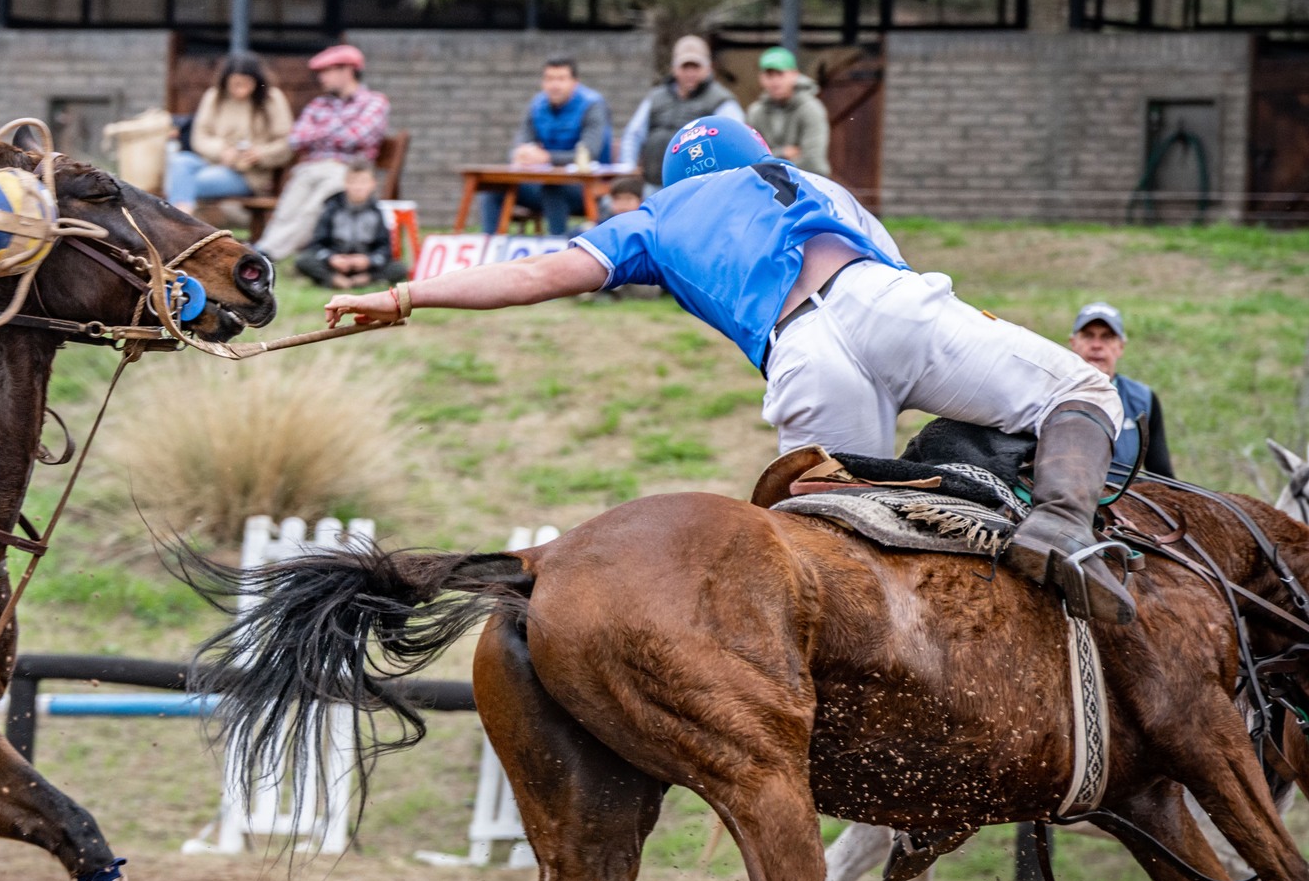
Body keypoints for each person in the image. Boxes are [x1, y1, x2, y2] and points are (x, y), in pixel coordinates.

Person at [325, 115, 1132, 624]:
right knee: (1082, 388)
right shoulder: (811, 179)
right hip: (881, 297)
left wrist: (405, 294)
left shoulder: (655, 214)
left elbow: (536, 275)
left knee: (838, 559)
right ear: (762, 155)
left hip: (802, 358)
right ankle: (1061, 527)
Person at [255, 44, 390, 259]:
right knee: (286, 210)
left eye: (327, 71)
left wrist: (318, 132)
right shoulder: (319, 103)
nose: (321, 78)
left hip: (347, 171)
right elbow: (296, 138)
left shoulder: (374, 101)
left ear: (347, 70)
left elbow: (357, 136)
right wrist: (339, 127)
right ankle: (263, 249)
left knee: (312, 208)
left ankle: (266, 254)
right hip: (309, 168)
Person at [478, 56, 612, 237]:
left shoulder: (592, 104)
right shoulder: (537, 104)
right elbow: (519, 147)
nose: (554, 85)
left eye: (561, 79)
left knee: (553, 187)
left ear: (575, 82)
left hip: (586, 188)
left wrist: (547, 157)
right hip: (542, 185)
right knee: (492, 189)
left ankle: (557, 247)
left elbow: (589, 153)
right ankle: (489, 248)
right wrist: (522, 154)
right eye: (549, 79)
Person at [165, 53, 295, 212]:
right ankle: (182, 218)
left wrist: (260, 154)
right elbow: (199, 137)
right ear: (226, 82)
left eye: (246, 84)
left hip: (248, 174)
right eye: (235, 84)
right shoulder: (214, 96)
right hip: (210, 162)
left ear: (256, 81)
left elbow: (287, 142)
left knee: (186, 183)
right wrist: (222, 151)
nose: (240, 90)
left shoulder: (272, 99)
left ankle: (179, 222)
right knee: (180, 161)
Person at [618, 35, 743, 191]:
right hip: (652, 184)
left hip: (698, 188)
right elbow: (634, 134)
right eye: (685, 67)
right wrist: (629, 169)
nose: (690, 73)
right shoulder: (656, 97)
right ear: (674, 68)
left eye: (696, 67)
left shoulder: (721, 100)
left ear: (709, 67)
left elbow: (735, 138)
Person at [1069, 301, 1174, 479]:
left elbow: (1162, 475)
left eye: (1107, 337)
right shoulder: (1047, 395)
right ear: (1073, 343)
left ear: (1121, 347)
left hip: (1123, 503)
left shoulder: (1143, 400)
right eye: (1088, 336)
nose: (1096, 345)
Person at [295, 160, 410, 290]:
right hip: (336, 262)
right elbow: (317, 243)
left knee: (399, 268)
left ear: (373, 184)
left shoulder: (376, 211)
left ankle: (365, 279)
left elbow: (385, 248)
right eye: (353, 182)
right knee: (304, 260)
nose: (358, 187)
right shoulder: (332, 208)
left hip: (365, 265)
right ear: (345, 183)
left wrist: (368, 260)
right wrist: (332, 258)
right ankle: (333, 279)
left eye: (363, 182)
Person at [748, 46, 831, 177]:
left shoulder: (811, 109)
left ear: (794, 75)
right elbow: (750, 158)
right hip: (766, 186)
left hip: (808, 185)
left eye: (780, 74)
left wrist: (769, 161)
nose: (775, 81)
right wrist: (783, 153)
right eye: (769, 75)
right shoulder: (756, 112)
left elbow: (813, 162)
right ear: (761, 78)